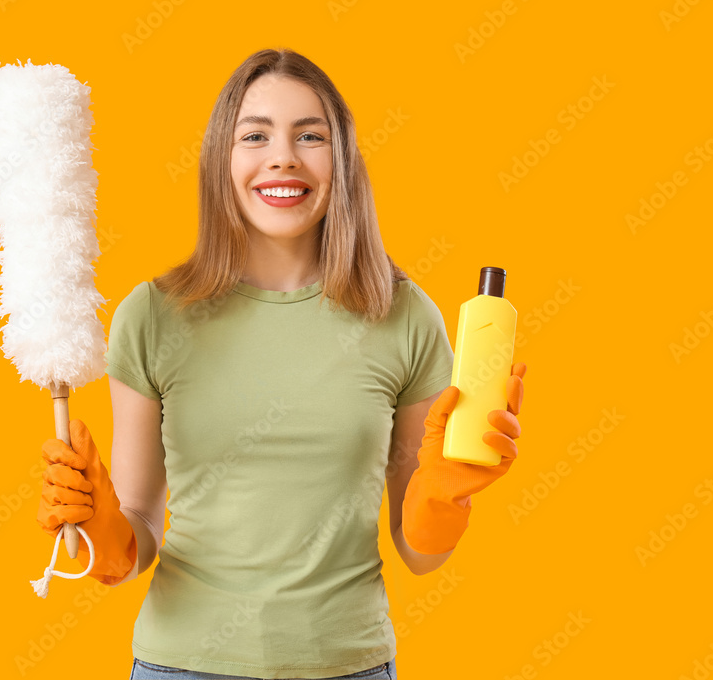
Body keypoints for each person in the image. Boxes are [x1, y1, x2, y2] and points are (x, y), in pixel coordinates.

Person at [36, 47, 527, 680]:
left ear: (341, 160)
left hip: (348, 666)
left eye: (310, 136)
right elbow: (134, 545)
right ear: (223, 160)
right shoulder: (152, 315)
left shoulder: (405, 316)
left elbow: (419, 554)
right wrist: (100, 524)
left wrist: (442, 499)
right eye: (255, 135)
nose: (283, 157)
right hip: (182, 666)